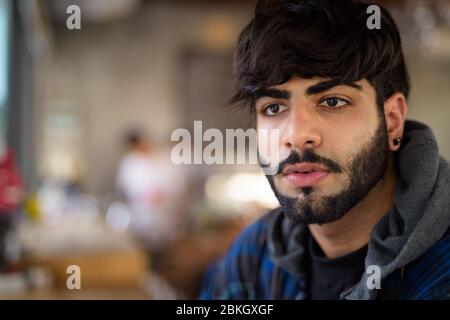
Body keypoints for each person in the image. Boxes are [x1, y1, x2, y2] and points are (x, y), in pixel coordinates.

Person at [200, 0, 450, 300]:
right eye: (274, 107)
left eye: (332, 102)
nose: (296, 136)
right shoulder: (254, 254)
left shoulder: (440, 271)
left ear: (392, 120)